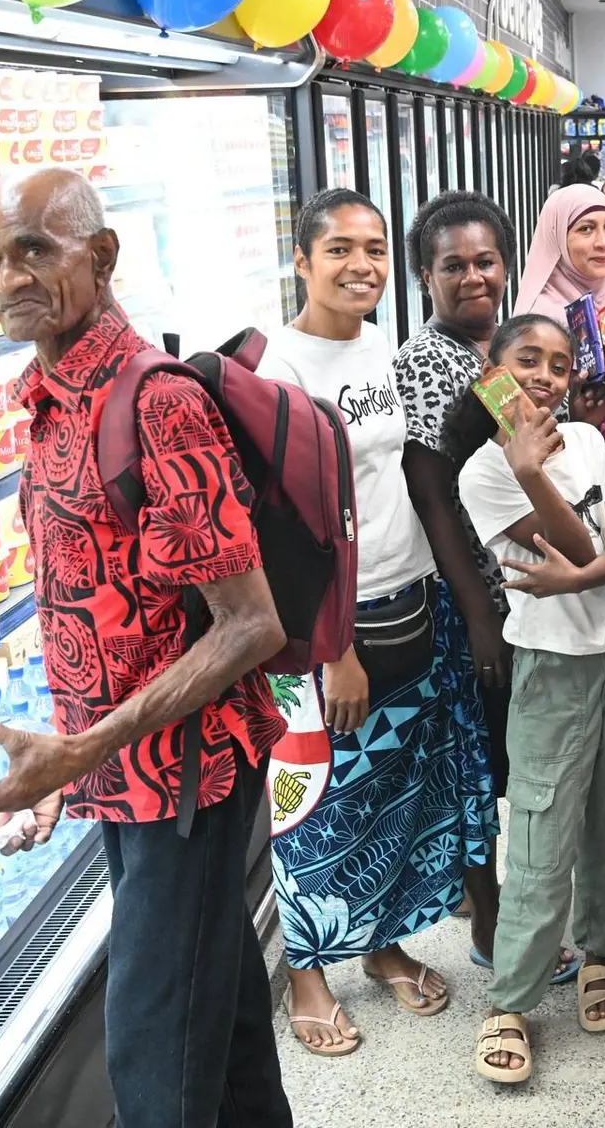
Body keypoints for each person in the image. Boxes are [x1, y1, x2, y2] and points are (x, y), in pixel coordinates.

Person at [0, 167, 293, 1128]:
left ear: (100, 255)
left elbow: (251, 622)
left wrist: (79, 751)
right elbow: (110, 614)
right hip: (126, 777)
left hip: (183, 783)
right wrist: (66, 772)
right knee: (219, 1027)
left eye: (35, 249)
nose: (8, 278)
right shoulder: (53, 399)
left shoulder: (152, 403)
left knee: (153, 1064)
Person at [260, 188, 499, 1058]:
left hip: (411, 598)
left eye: (372, 249)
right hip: (330, 630)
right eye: (339, 250)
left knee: (395, 793)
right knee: (314, 799)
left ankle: (382, 943)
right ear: (302, 261)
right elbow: (284, 532)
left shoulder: (372, 345)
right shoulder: (278, 373)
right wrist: (336, 650)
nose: (360, 265)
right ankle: (306, 975)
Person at [445, 316, 605, 1086]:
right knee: (537, 834)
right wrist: (529, 470)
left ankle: (600, 953)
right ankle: (512, 1000)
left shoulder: (591, 442)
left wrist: (589, 579)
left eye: (559, 365)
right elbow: (581, 548)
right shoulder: (483, 473)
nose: (545, 377)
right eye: (526, 360)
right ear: (492, 371)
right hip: (551, 668)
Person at [392, 190, 580, 984]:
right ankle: (492, 924)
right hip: (476, 594)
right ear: (425, 276)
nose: (472, 277)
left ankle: (499, 906)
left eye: (485, 261)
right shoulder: (427, 361)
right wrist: (476, 612)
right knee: (477, 765)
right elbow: (432, 493)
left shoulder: (500, 352)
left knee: (505, 758)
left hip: (520, 586)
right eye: (452, 265)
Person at [516, 184, 605, 432]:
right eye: (586, 229)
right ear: (558, 237)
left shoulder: (603, 303)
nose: (603, 242)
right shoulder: (543, 324)